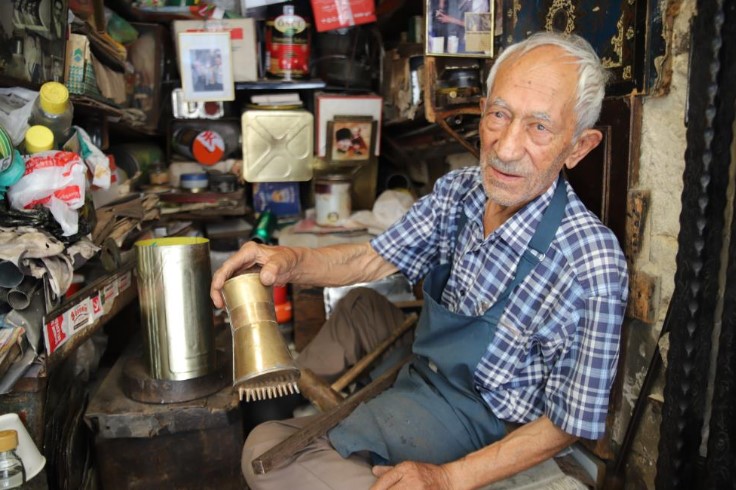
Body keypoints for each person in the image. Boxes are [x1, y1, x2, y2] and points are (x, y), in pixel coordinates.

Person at [211, 31, 629, 489]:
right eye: (500, 115)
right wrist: (288, 260)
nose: (506, 149)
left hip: (482, 422)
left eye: (539, 127)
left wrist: (448, 478)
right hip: (426, 370)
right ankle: (281, 403)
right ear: (483, 111)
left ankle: (297, 440)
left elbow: (570, 422)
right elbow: (371, 259)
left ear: (578, 147)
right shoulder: (461, 191)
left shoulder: (591, 265)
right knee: (360, 308)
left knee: (265, 452)